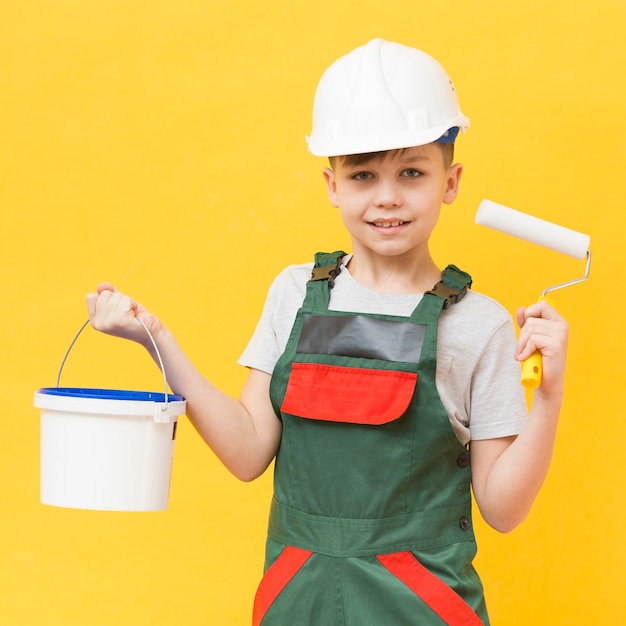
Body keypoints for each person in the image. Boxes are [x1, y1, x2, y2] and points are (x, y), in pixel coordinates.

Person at [87, 39, 568, 625]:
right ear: (332, 185)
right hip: (299, 599)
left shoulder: (477, 323)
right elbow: (245, 453)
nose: (387, 197)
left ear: (451, 179)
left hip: (421, 607)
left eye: (411, 172)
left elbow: (502, 509)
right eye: (363, 174)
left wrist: (547, 398)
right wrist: (156, 339)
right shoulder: (295, 293)